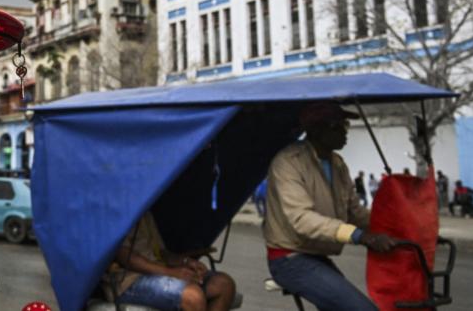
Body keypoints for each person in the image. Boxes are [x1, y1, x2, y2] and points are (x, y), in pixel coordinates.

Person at [264, 102, 394, 311]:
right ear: (315, 130)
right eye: (337, 125)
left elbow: (355, 212)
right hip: (289, 258)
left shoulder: (337, 163)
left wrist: (396, 226)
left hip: (316, 255)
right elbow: (302, 220)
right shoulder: (288, 162)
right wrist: (359, 236)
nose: (344, 131)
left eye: (345, 125)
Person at [104, 208, 237, 311]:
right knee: (193, 297)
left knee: (224, 284)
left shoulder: (145, 213)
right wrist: (170, 272)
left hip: (159, 271)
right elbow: (124, 257)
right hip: (128, 280)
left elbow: (161, 252)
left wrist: (187, 262)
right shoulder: (117, 212)